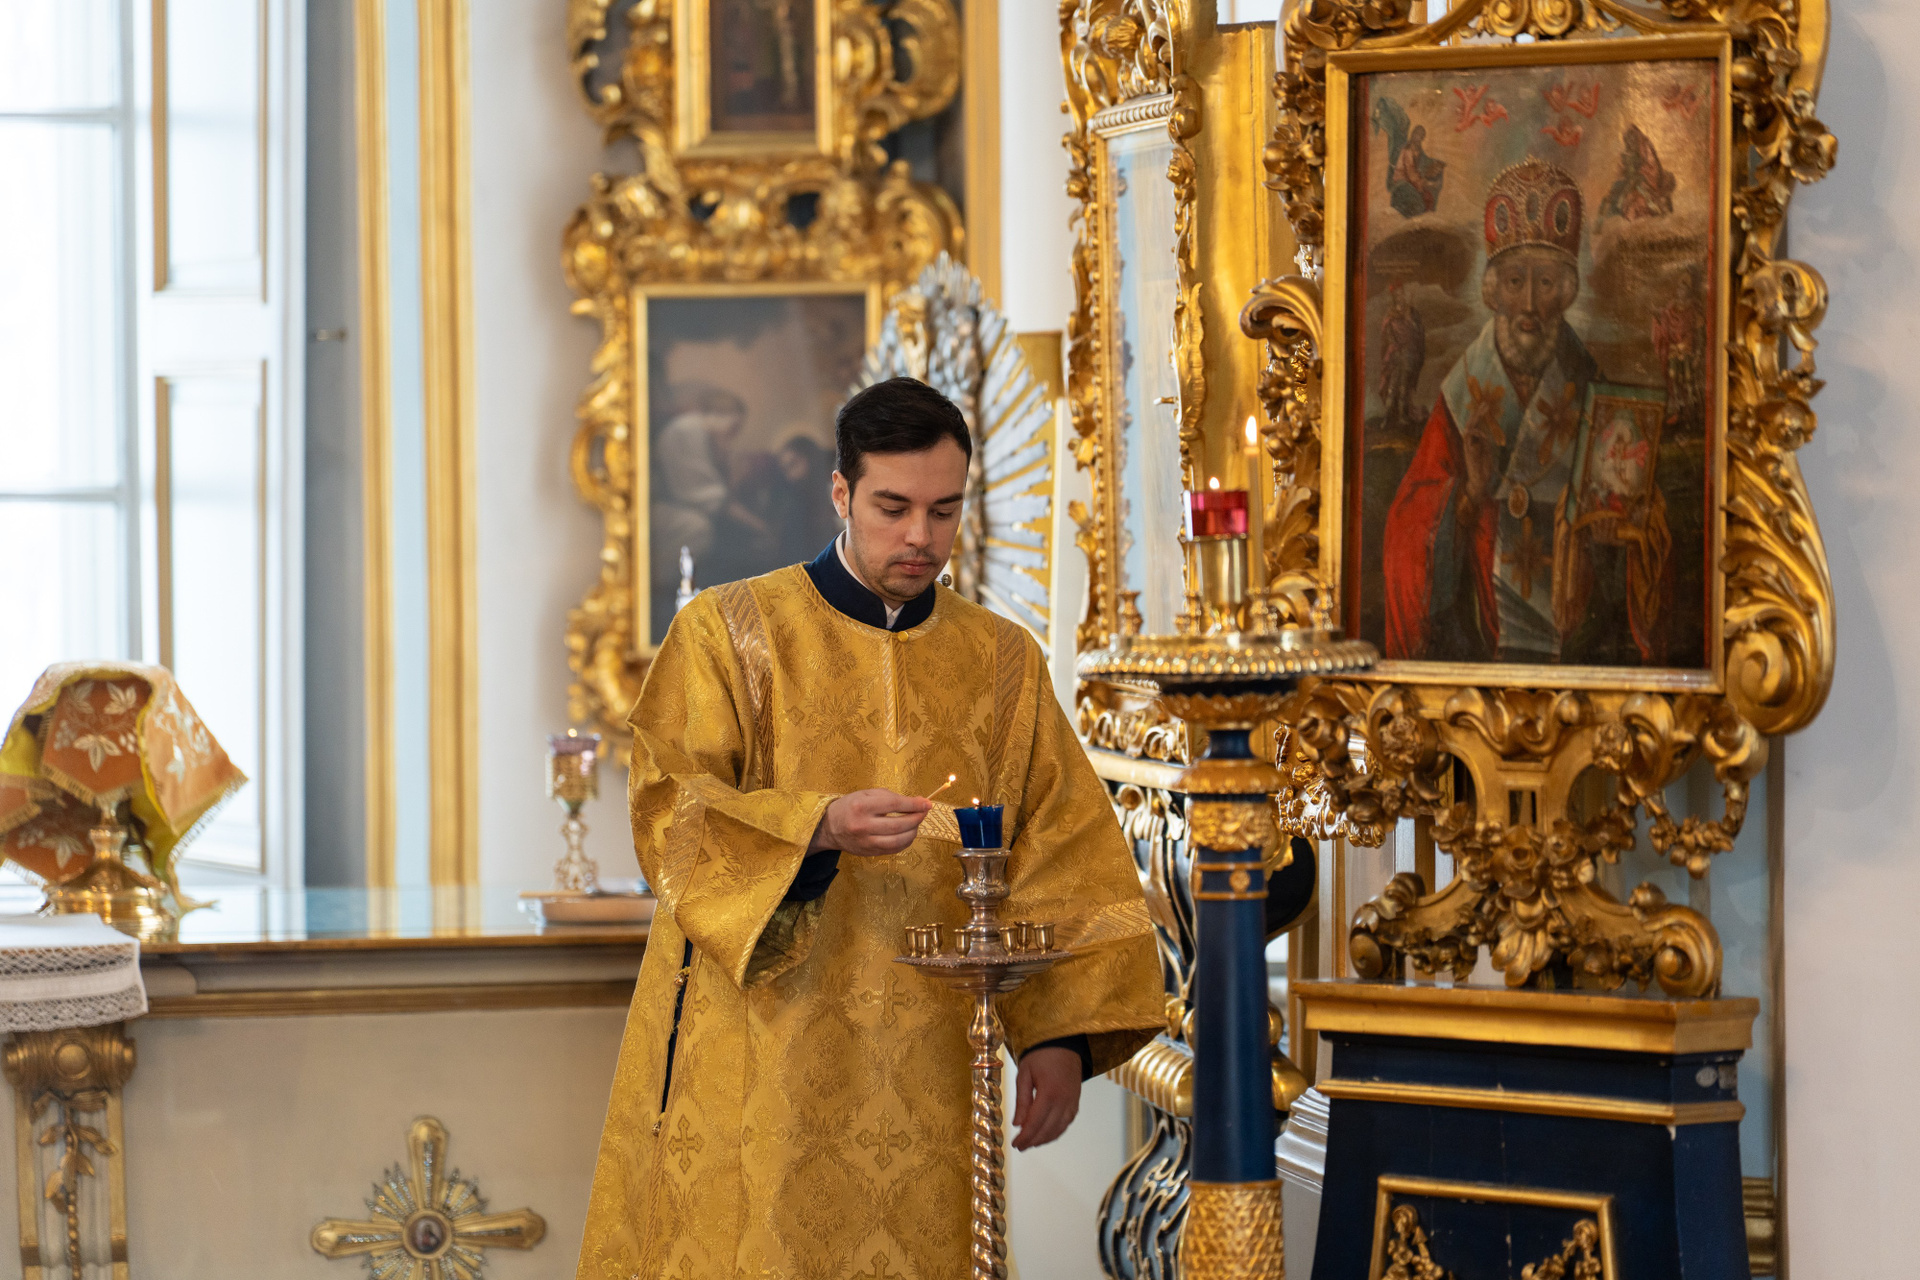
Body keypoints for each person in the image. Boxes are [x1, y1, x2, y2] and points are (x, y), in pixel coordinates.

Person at [578, 377, 1163, 1279]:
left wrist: (1058, 1036)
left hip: (931, 1056)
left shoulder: (1001, 661)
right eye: (893, 508)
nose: (920, 536)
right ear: (841, 494)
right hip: (763, 1045)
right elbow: (668, 809)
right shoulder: (728, 633)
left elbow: (1063, 843)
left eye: (944, 510)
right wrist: (815, 826)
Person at [1381, 159, 1602, 664]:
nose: (1530, 304)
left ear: (1566, 292)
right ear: (1494, 291)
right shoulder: (1462, 392)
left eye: (1546, 283)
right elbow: (1405, 530)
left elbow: (1622, 509)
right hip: (1483, 630)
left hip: (1573, 632)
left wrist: (1606, 525)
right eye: (1516, 282)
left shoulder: (1589, 384)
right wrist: (1468, 496)